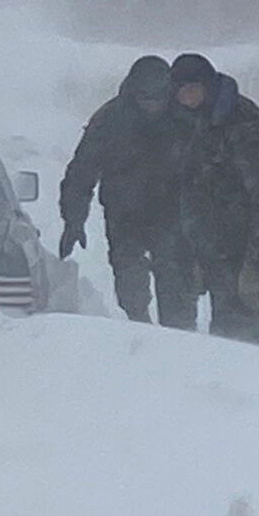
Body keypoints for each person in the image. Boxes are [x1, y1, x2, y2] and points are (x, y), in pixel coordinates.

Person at [59, 56, 199, 329]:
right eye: (145, 98)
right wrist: (73, 219)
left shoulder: (185, 118)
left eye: (157, 98)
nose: (151, 105)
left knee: (177, 292)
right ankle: (139, 333)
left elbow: (206, 168)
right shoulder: (110, 119)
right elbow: (82, 171)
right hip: (125, 218)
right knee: (130, 288)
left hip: (174, 218)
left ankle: (181, 344)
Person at [169, 53, 259, 350]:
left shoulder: (248, 126)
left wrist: (256, 266)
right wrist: (200, 255)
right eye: (181, 90)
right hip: (223, 262)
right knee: (228, 350)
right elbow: (196, 196)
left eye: (193, 88)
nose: (187, 96)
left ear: (209, 86)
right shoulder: (200, 125)